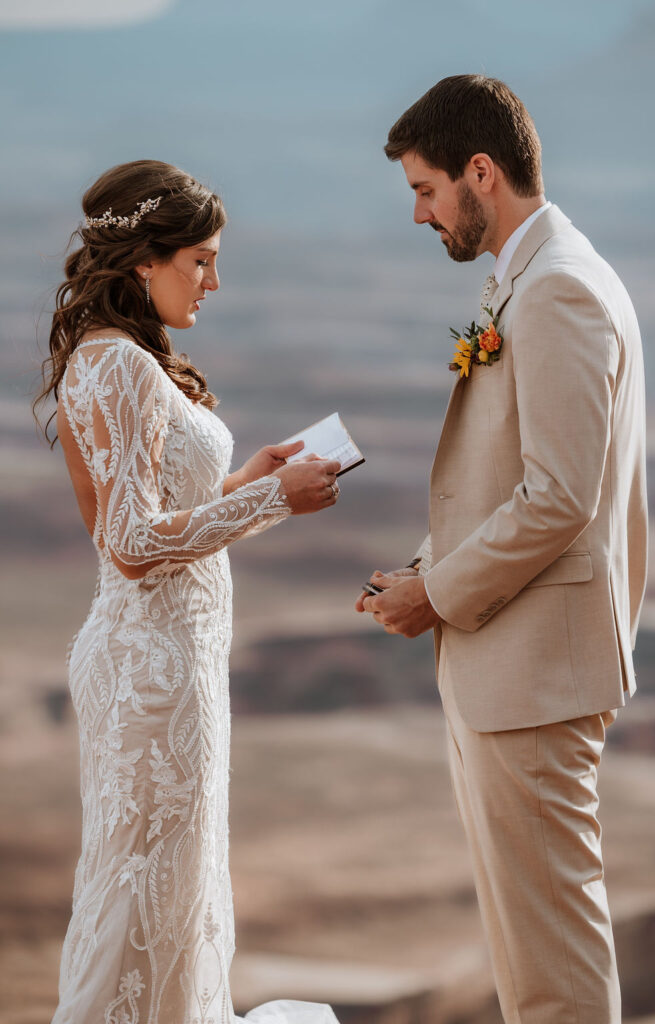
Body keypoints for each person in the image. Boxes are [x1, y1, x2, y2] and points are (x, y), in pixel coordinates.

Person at [357, 75, 647, 1022]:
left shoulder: (557, 288)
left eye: (425, 188)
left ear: (481, 171)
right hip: (517, 671)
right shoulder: (536, 275)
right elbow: (510, 478)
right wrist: (422, 565)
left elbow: (560, 496)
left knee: (551, 968)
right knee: (532, 956)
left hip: (534, 680)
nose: (417, 212)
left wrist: (435, 594)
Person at [35, 160, 340, 1024]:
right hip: (157, 670)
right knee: (143, 895)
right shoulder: (123, 368)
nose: (214, 279)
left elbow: (133, 522)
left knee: (149, 888)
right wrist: (274, 497)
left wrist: (247, 479)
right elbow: (130, 544)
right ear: (144, 260)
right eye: (199, 259)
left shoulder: (99, 360)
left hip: (152, 658)